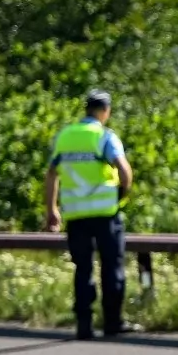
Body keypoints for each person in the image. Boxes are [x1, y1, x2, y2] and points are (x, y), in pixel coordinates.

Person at [43, 90, 140, 341]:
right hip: (106, 214)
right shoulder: (104, 137)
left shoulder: (64, 137)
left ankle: (84, 325)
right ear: (105, 111)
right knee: (112, 267)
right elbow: (125, 171)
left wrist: (52, 210)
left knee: (82, 269)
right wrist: (121, 195)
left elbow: (52, 174)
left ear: (86, 109)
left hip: (75, 216)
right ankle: (112, 322)